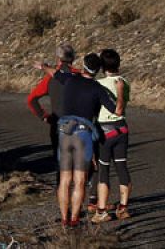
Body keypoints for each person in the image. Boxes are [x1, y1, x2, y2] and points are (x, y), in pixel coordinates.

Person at [51, 53, 125, 228]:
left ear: (83, 65)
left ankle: (64, 218)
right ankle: (75, 219)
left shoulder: (69, 79)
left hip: (64, 131)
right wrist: (120, 89)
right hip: (83, 134)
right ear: (98, 70)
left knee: (64, 179)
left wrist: (43, 66)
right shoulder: (97, 88)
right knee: (80, 180)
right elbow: (118, 111)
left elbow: (53, 73)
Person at [91, 49, 132, 222]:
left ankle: (101, 210)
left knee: (104, 170)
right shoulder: (124, 82)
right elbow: (123, 105)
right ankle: (123, 207)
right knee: (122, 167)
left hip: (104, 129)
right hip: (122, 128)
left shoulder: (98, 84)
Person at [28, 43, 78, 180]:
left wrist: (44, 117)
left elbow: (32, 99)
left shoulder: (50, 79)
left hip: (57, 124)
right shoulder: (79, 75)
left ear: (58, 59)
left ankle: (61, 192)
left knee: (61, 163)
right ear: (73, 58)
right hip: (79, 125)